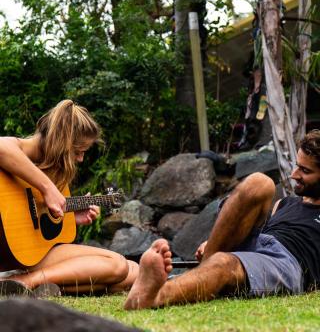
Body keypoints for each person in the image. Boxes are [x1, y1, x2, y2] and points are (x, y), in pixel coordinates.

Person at [124, 129, 320, 310]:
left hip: (286, 262)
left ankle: (155, 296)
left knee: (223, 264)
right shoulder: (286, 204)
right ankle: (206, 264)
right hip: (260, 243)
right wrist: (215, 241)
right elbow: (254, 232)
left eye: (305, 171)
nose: (294, 175)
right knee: (259, 183)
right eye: (297, 166)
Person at [0, 99, 138, 296]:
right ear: (62, 142)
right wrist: (48, 188)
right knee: (117, 266)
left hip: (33, 255)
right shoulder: (18, 148)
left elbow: (36, 223)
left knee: (134, 271)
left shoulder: (55, 174)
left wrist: (69, 217)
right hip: (15, 259)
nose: (80, 159)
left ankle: (31, 286)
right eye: (77, 151)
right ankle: (22, 281)